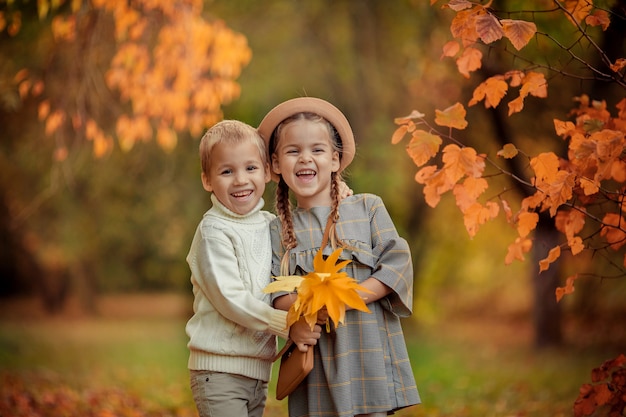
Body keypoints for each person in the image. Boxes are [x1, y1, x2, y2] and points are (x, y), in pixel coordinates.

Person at [258, 97, 421, 417]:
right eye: (293, 151)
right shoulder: (277, 229)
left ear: (335, 159)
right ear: (276, 164)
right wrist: (302, 315)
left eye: (317, 150)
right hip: (318, 362)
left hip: (368, 354)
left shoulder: (367, 207)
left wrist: (348, 297)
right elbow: (275, 293)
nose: (305, 158)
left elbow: (397, 263)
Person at [185, 119, 323, 417]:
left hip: (257, 371)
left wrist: (341, 196)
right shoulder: (214, 231)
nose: (240, 180)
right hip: (218, 370)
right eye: (226, 171)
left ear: (267, 172)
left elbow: (310, 233)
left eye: (250, 168)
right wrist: (287, 325)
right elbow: (231, 299)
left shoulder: (270, 226)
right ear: (207, 180)